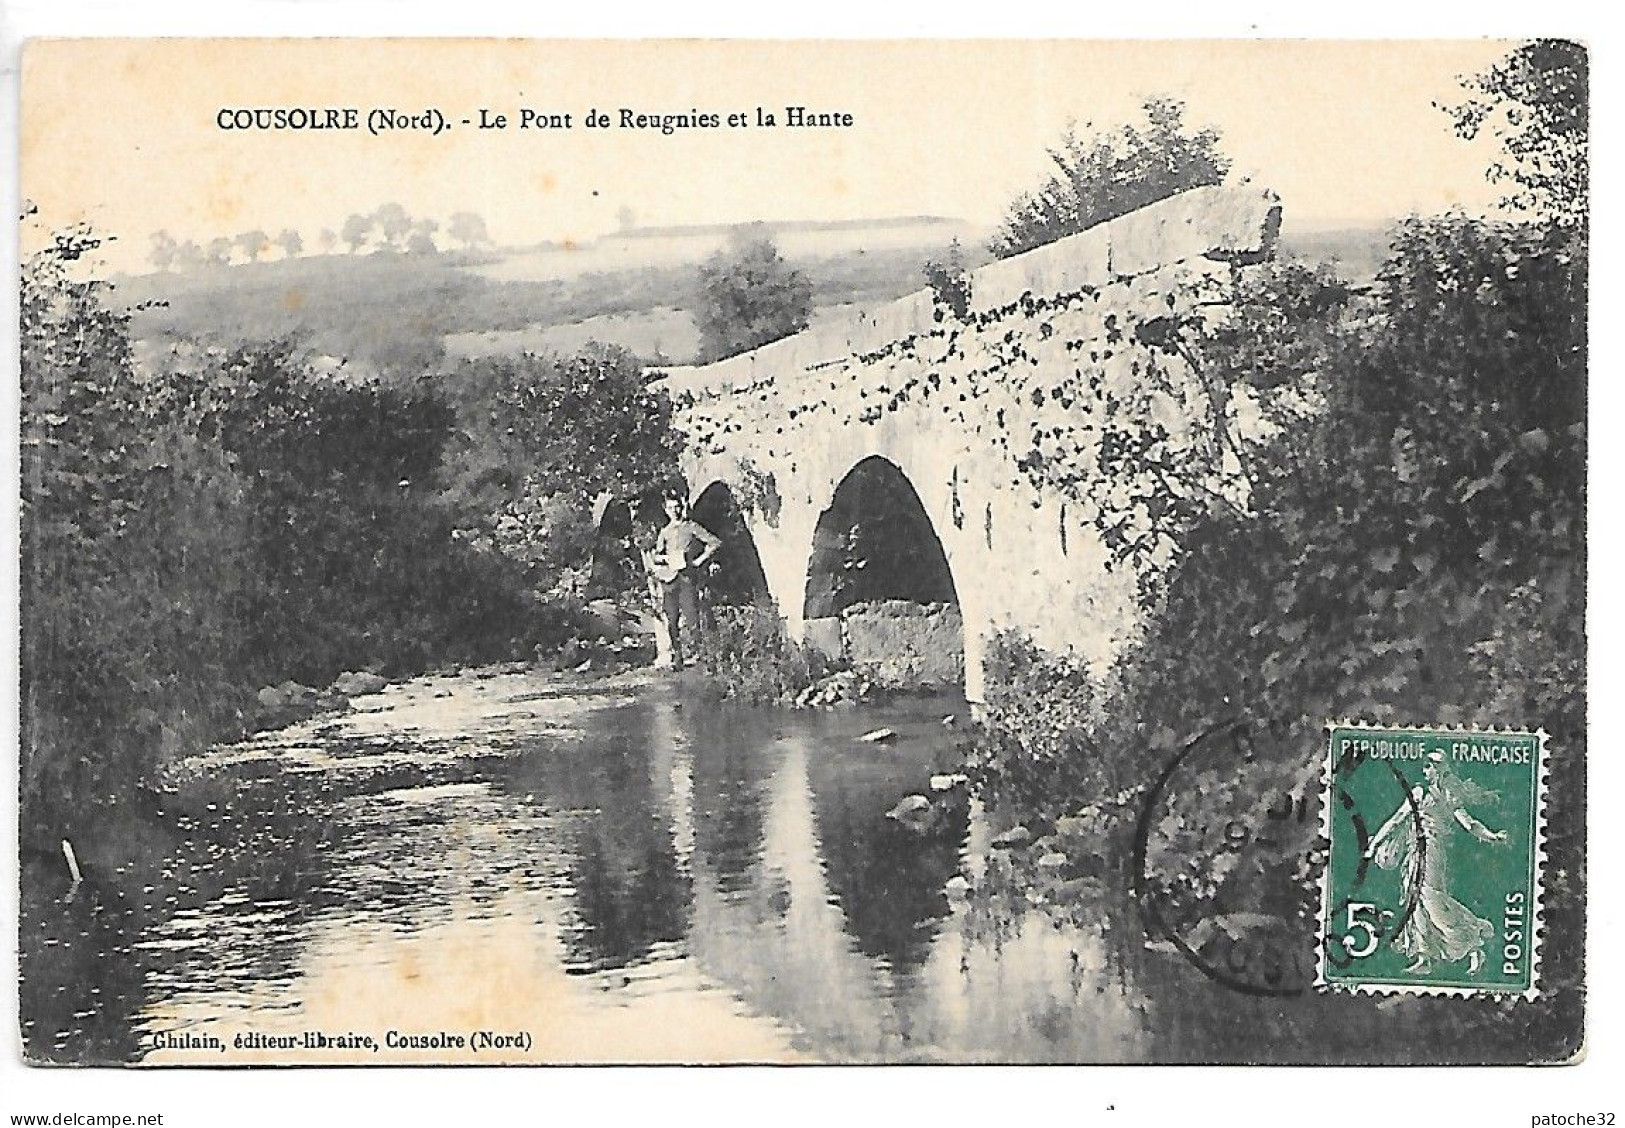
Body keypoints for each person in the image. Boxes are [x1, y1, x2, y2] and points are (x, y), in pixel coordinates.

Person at [1364, 753, 1506, 974]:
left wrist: (1492, 836)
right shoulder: (1419, 793)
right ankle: (1424, 956)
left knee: (1431, 899)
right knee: (1416, 900)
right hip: (1415, 852)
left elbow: (1470, 824)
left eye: (1429, 767)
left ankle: (1473, 939)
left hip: (1433, 852)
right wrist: (1374, 846)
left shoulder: (1450, 797)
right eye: (1424, 767)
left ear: (1440, 769)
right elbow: (1396, 820)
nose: (1425, 771)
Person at [643, 493, 721, 669]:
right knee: (671, 619)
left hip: (686, 577)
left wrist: (698, 561)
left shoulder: (690, 527)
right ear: (666, 510)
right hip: (669, 579)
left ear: (682, 507)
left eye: (677, 506)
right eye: (670, 508)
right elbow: (656, 555)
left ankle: (701, 656)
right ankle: (677, 657)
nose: (674, 511)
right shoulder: (665, 532)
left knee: (692, 617)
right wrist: (664, 558)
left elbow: (714, 542)